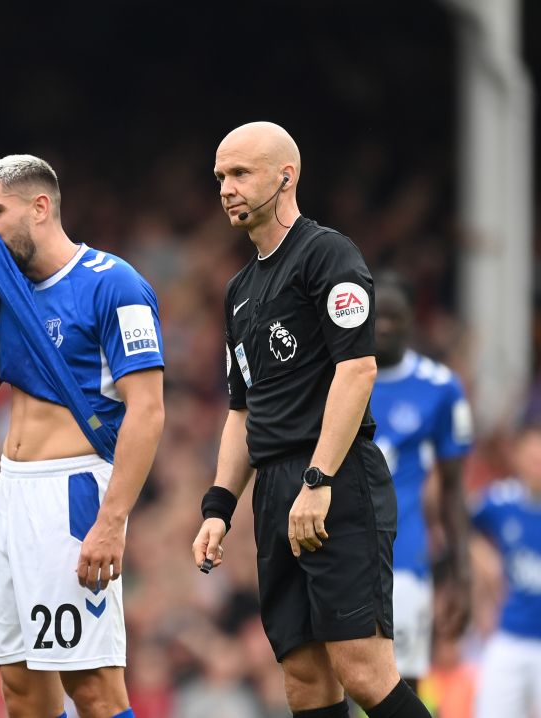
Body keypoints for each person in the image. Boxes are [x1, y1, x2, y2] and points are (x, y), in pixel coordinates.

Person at [192, 121, 431, 718]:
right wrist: (219, 508)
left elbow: (358, 371)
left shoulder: (327, 254)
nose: (226, 187)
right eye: (220, 175)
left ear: (285, 176)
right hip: (274, 489)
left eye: (241, 173)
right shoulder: (240, 290)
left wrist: (319, 483)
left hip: (335, 479)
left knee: (363, 670)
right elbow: (242, 410)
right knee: (303, 676)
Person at [0, 154, 165, 718]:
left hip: (74, 497)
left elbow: (147, 410)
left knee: (92, 690)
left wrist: (111, 522)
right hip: (13, 493)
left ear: (40, 208)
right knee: (23, 693)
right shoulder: (6, 294)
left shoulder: (114, 283)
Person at [369, 273, 473, 687]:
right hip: (340, 554)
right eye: (376, 316)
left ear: (413, 319)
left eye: (395, 316)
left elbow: (453, 489)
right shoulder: (335, 380)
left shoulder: (441, 388)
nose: (385, 326)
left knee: (401, 683)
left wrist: (461, 577)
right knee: (334, 684)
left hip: (406, 560)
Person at [471, 424, 541, 717]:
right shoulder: (501, 501)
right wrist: (483, 557)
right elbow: (460, 526)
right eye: (532, 456)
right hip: (510, 634)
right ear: (518, 457)